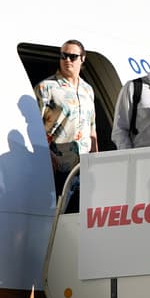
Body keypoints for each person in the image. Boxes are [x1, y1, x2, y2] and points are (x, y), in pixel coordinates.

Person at [35, 39, 97, 211]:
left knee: (80, 216)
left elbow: (92, 128)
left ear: (82, 59)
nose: (67, 60)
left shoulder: (88, 90)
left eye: (72, 56)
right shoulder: (46, 88)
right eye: (63, 56)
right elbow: (33, 128)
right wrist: (44, 154)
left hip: (83, 165)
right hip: (57, 165)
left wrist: (96, 160)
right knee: (57, 214)